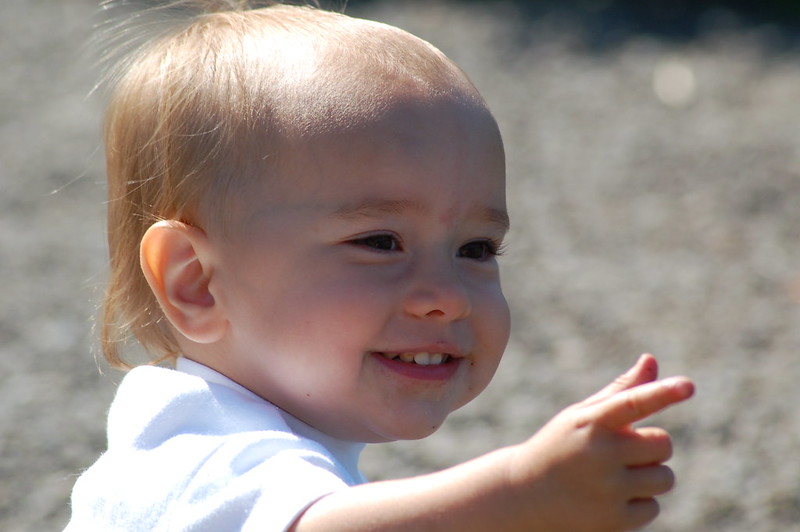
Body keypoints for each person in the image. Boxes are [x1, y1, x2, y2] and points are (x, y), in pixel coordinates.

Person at [66, 1, 695, 530]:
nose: (447, 296)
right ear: (196, 282)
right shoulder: (196, 460)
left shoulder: (229, 435)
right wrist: (518, 492)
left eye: (476, 249)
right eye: (380, 241)